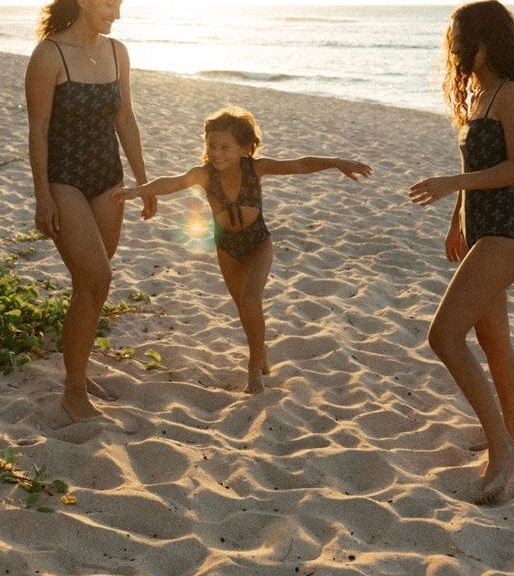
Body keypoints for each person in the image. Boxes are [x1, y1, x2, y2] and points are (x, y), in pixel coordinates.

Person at [112, 106, 372, 393]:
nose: (217, 153)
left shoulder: (256, 168)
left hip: (258, 242)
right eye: (212, 146)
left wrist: (336, 162)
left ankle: (254, 367)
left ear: (245, 148)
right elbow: (170, 183)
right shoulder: (204, 174)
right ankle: (260, 350)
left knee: (250, 299)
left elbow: (299, 165)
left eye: (225, 147)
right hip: (227, 247)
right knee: (244, 308)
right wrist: (138, 191)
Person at [409, 0, 514, 504]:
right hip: (478, 234)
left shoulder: (510, 95)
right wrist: (456, 221)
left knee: (443, 335)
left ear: (486, 41)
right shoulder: (478, 94)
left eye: (459, 38)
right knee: (493, 339)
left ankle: (502, 449)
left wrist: (451, 184)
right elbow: (475, 169)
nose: (453, 47)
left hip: (506, 235)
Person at [25, 0, 156, 422]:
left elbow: (126, 119)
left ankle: (77, 373)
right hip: (64, 180)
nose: (116, 14)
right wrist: (42, 196)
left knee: (91, 286)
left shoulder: (118, 52)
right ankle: (74, 394)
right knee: (97, 279)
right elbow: (38, 131)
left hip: (108, 179)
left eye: (120, 5)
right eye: (109, 4)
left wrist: (143, 180)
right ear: (83, 0)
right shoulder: (49, 56)